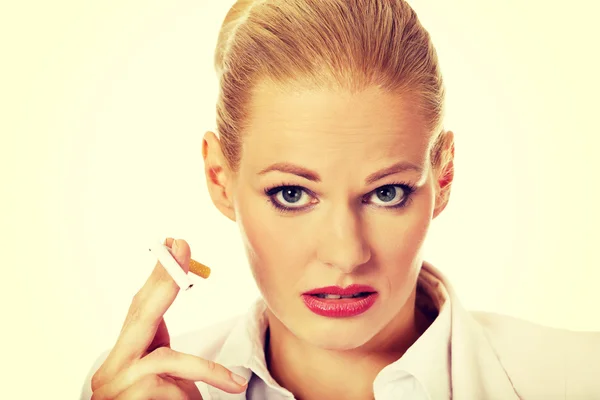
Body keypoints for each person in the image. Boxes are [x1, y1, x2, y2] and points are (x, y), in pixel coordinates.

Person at [81, 0, 600, 399]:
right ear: (220, 178)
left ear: (442, 177)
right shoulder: (135, 389)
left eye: (387, 193)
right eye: (292, 194)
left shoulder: (578, 380)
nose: (347, 254)